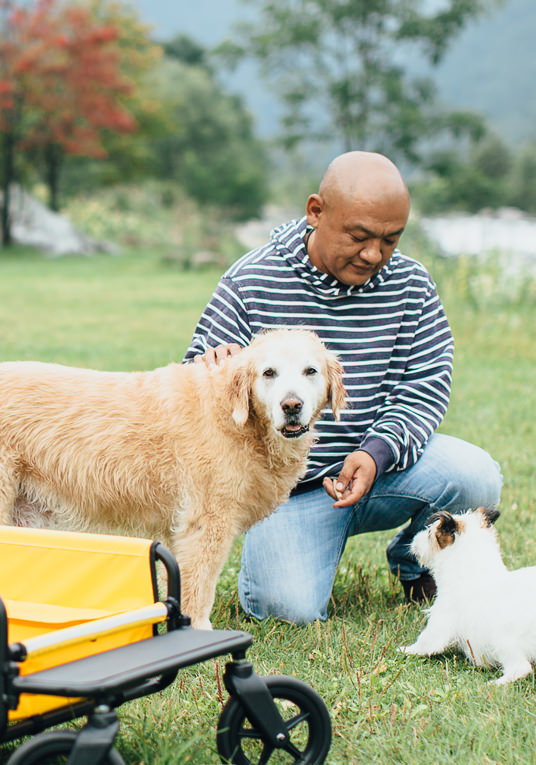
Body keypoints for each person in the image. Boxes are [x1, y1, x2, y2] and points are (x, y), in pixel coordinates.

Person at [184, 151, 502, 624]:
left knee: (477, 476)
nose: (374, 254)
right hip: (285, 492)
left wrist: (376, 453)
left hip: (382, 470)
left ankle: (416, 561)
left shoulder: (412, 286)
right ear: (316, 212)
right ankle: (295, 553)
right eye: (360, 236)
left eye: (390, 240)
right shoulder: (249, 280)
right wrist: (208, 371)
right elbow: (198, 381)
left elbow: (425, 386)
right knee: (283, 609)